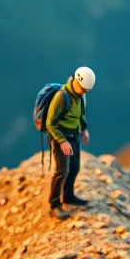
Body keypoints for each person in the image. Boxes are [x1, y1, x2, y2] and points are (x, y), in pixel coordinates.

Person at [45, 66, 95, 215]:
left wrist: (83, 129)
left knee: (74, 168)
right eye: (84, 88)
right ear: (77, 81)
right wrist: (62, 141)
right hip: (61, 137)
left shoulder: (80, 96)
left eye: (87, 90)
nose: (85, 91)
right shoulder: (62, 97)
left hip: (74, 135)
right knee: (62, 171)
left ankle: (68, 196)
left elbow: (79, 116)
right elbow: (50, 123)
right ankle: (54, 205)